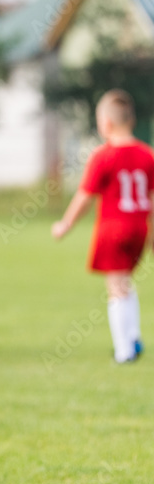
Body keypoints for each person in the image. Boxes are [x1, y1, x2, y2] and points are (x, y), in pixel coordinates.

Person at [52, 89, 154, 363]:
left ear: (106, 123)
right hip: (139, 228)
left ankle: (124, 350)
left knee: (116, 287)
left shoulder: (103, 155)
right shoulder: (148, 155)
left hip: (114, 228)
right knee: (126, 283)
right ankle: (133, 337)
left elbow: (85, 195)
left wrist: (65, 224)